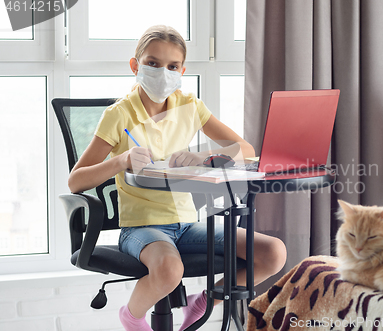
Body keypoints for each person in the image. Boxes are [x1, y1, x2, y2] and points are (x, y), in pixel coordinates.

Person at [67, 25, 287, 331]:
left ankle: (204, 300)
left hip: (187, 225)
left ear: (182, 70)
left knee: (272, 253)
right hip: (141, 228)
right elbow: (76, 181)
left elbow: (246, 149)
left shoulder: (189, 106)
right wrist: (121, 160)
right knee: (170, 270)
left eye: (172, 66)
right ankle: (131, 316)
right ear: (136, 66)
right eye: (153, 63)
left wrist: (202, 156)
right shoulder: (119, 114)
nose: (163, 72)